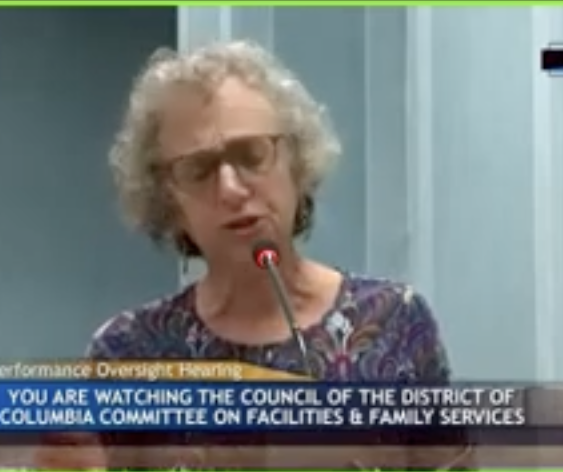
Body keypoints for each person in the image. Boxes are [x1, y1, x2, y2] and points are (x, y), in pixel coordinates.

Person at [35, 40, 473, 470]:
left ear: (297, 164)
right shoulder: (128, 352)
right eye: (199, 169)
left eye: (251, 155)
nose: (230, 189)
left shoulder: (395, 322)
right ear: (168, 200)